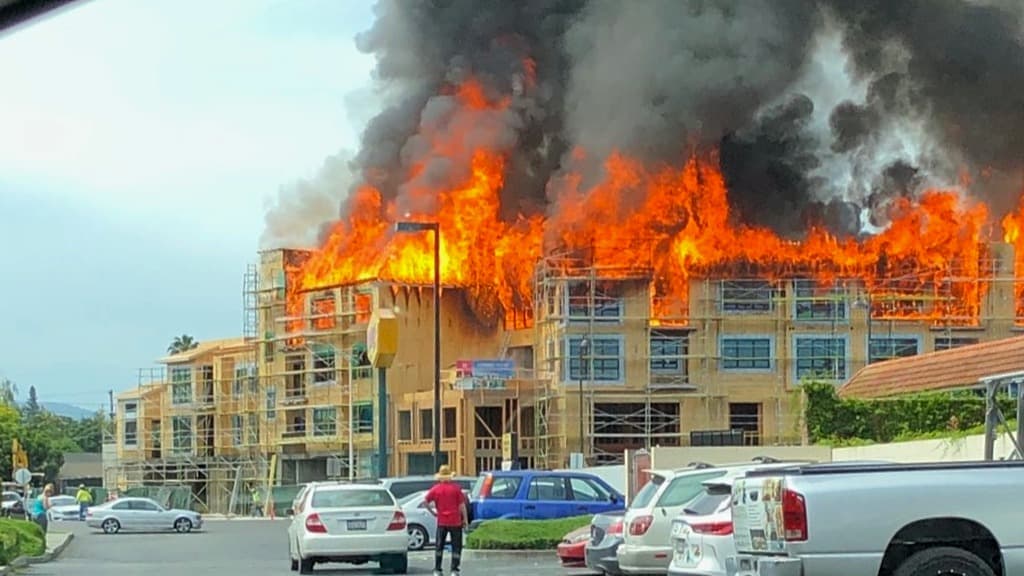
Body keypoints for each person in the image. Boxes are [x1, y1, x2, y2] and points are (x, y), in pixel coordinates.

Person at [424, 465, 468, 576]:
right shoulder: (456, 489)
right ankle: (454, 570)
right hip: (455, 521)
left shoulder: (435, 489)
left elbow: (425, 501)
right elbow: (462, 506)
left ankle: (437, 569)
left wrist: (433, 512)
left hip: (442, 521)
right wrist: (465, 520)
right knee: (456, 546)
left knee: (439, 546)